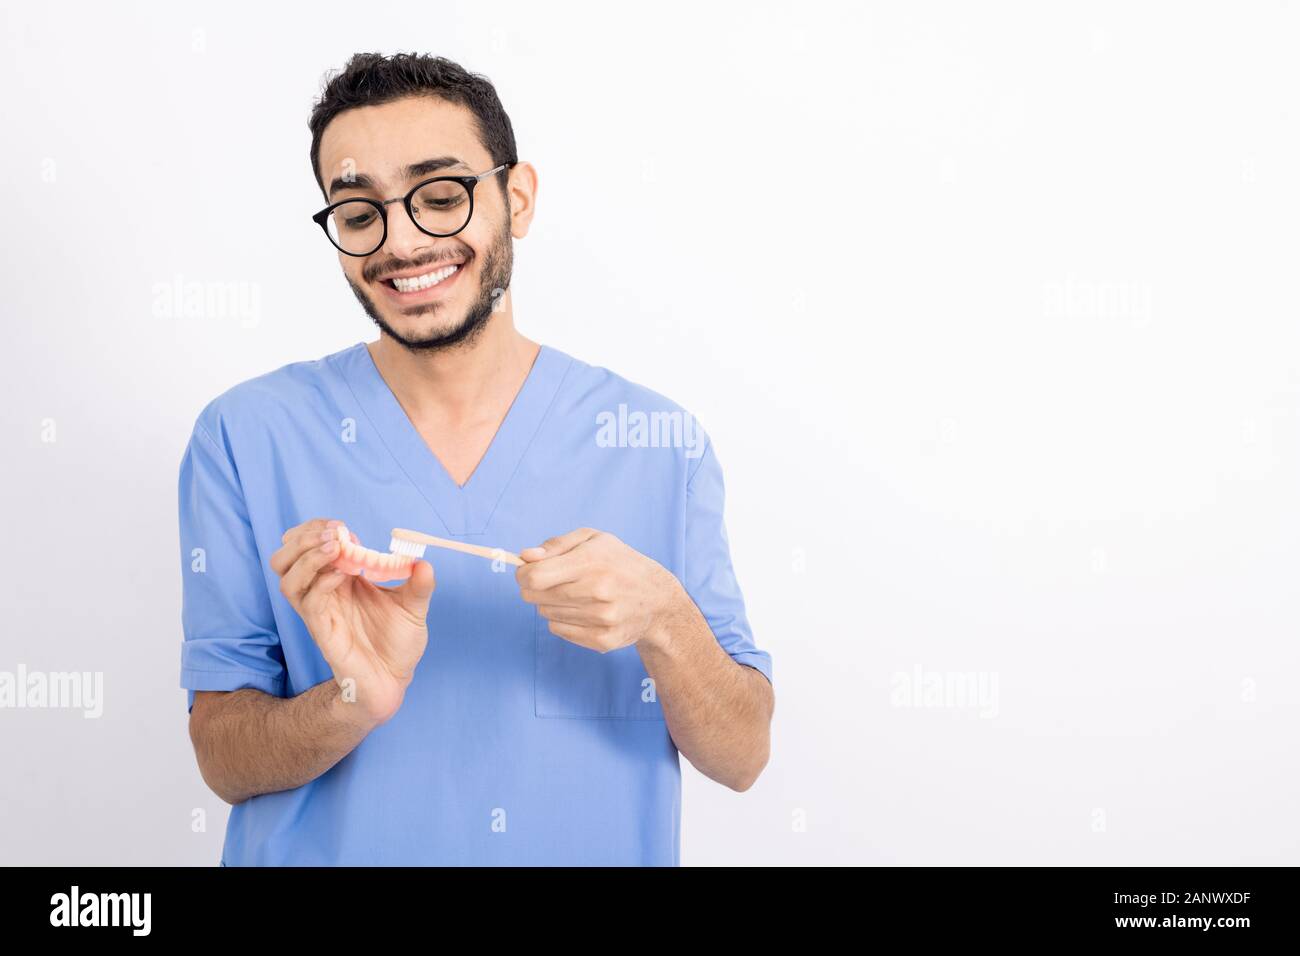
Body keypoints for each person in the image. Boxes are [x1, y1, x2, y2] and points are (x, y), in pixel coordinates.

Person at [179, 52, 774, 866]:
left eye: (441, 195)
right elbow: (222, 757)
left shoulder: (657, 444)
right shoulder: (246, 437)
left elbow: (741, 757)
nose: (403, 243)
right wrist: (353, 701)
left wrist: (665, 620)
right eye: (359, 213)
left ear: (516, 198)